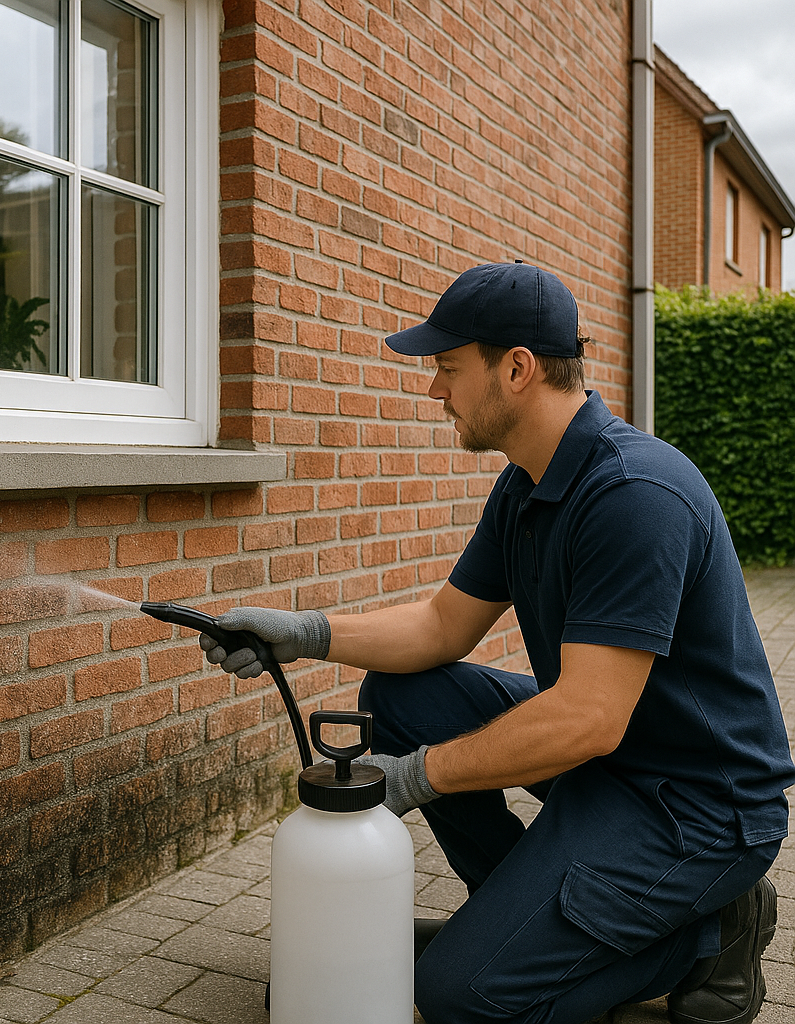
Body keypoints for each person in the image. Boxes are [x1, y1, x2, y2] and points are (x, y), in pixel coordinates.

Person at [199, 261, 795, 1024]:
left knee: (462, 998)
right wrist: (302, 634)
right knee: (402, 694)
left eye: (449, 368)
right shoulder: (526, 484)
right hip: (611, 758)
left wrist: (416, 776)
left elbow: (587, 718)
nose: (434, 390)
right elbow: (441, 627)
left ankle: (708, 932)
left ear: (516, 369)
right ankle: (514, 916)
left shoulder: (635, 495)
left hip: (695, 802)